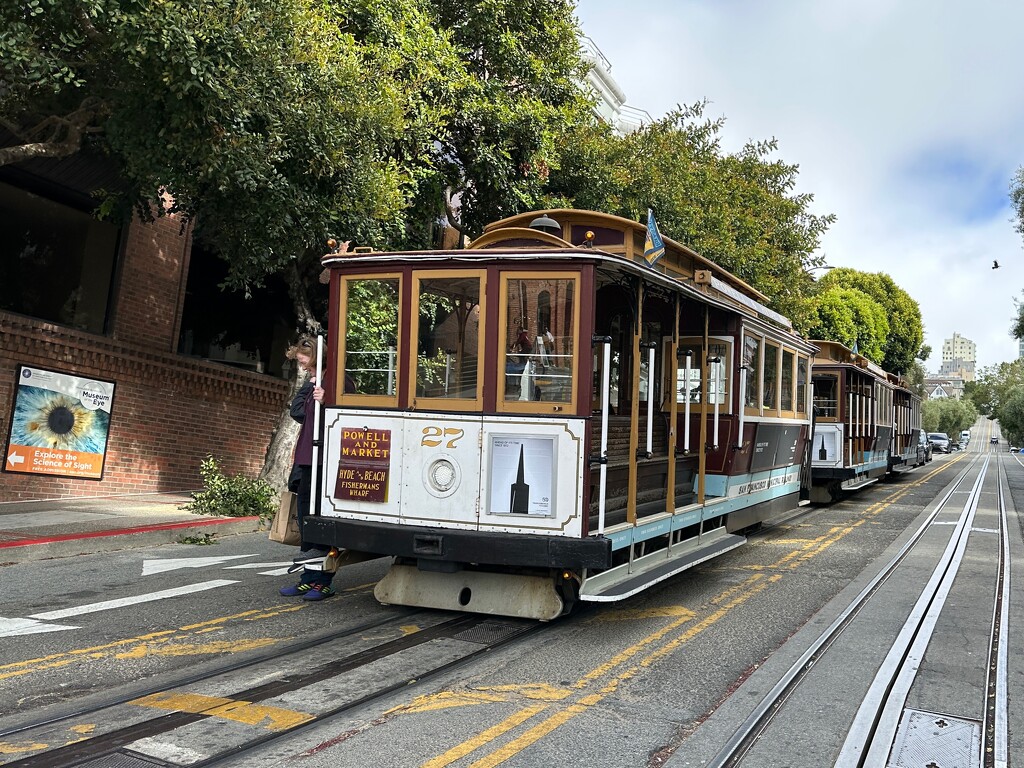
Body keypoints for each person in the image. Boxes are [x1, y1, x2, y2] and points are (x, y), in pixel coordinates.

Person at [279, 337, 334, 601]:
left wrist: (328, 399)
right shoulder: (312, 383)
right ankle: (307, 578)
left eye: (304, 363)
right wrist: (308, 387)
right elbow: (297, 412)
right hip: (306, 458)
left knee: (319, 521)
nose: (302, 369)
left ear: (316, 358)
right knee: (304, 520)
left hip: (323, 458)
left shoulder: (336, 381)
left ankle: (322, 581)